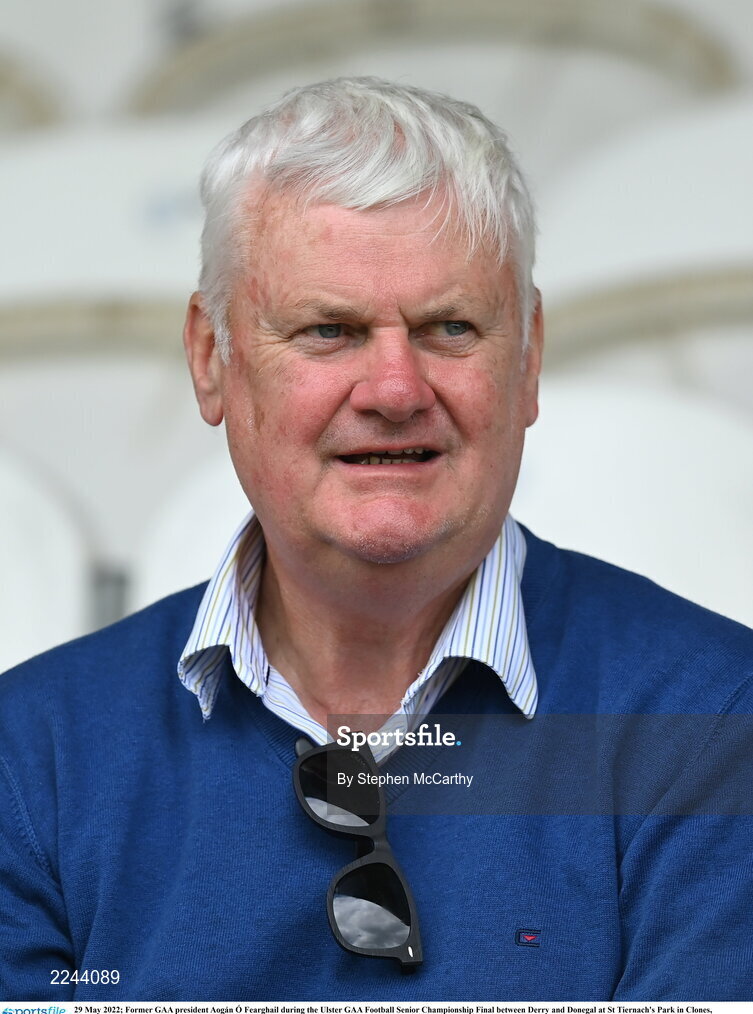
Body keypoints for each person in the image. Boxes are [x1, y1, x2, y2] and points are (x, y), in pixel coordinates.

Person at [1, 77, 751, 1002]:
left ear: (527, 360)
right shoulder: (30, 757)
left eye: (450, 327)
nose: (395, 389)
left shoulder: (712, 723)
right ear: (211, 361)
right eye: (329, 330)